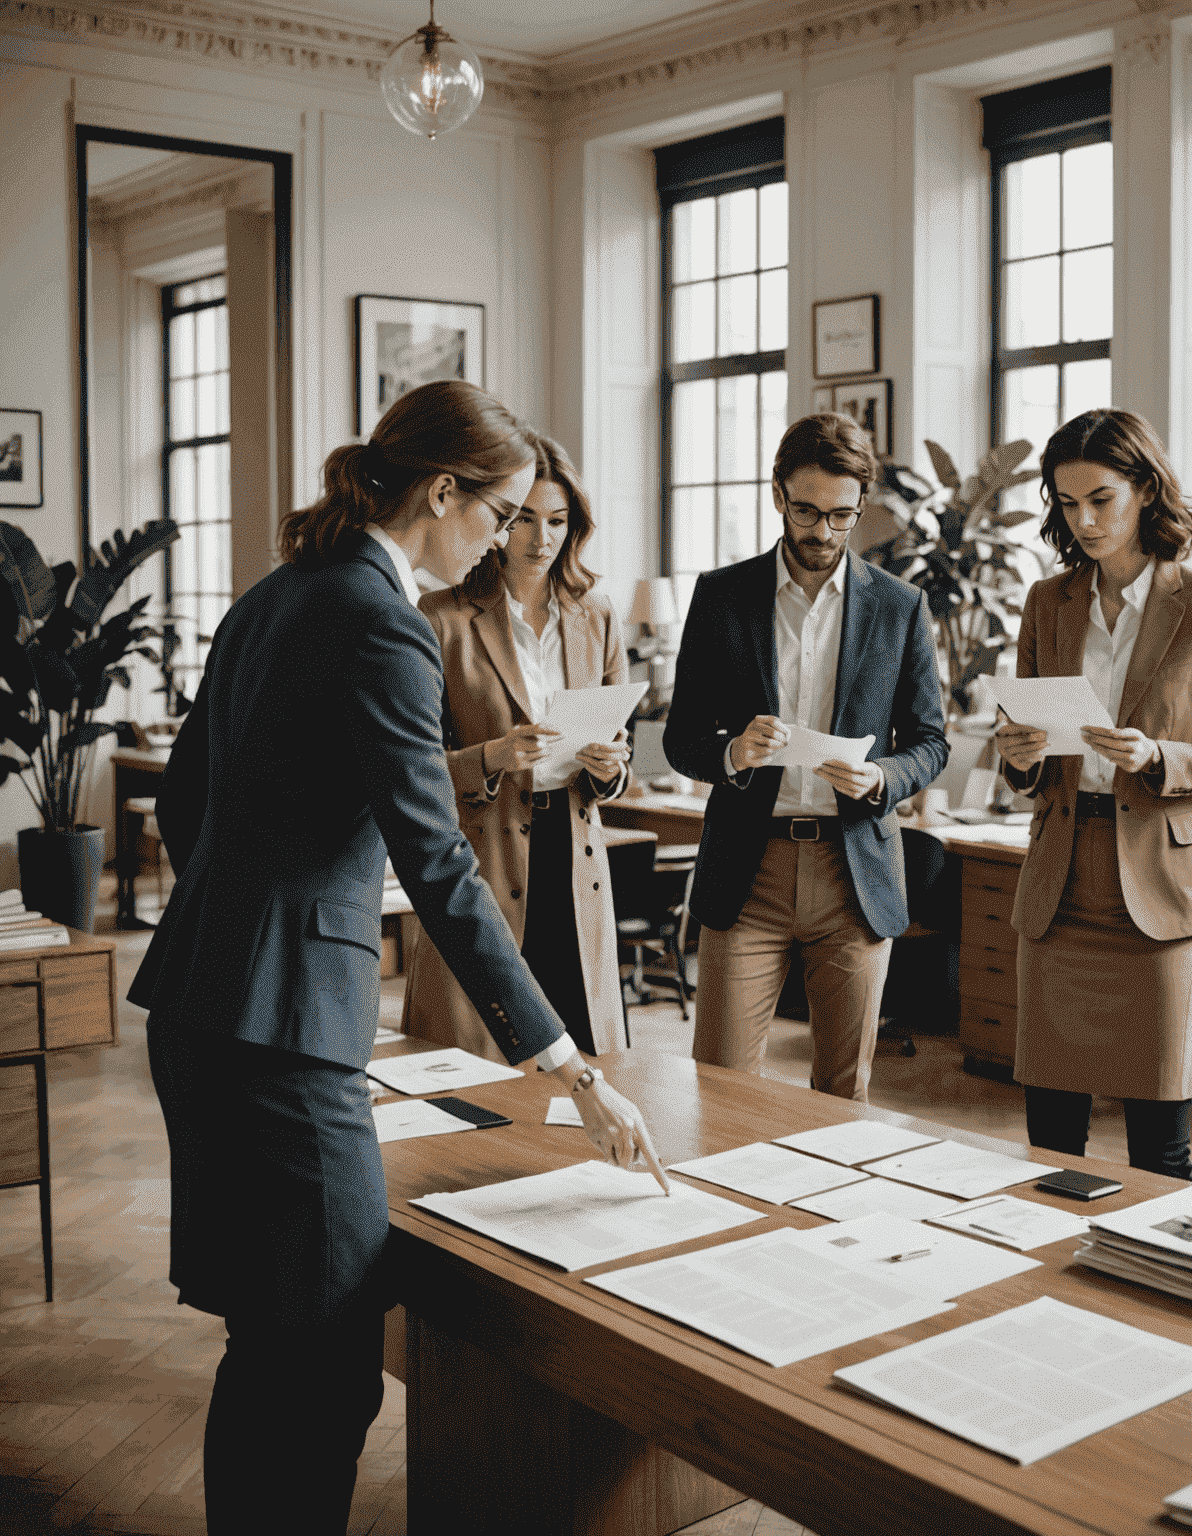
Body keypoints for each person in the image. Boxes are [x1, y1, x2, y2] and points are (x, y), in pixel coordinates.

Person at [128, 380, 663, 1535]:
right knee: (325, 1355)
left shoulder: (280, 594)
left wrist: (265, 895)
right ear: (440, 493)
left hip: (204, 1004)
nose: (507, 538)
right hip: (280, 1033)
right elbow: (440, 866)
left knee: (272, 1345)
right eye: (501, 512)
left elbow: (188, 801)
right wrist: (567, 1063)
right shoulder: (384, 621)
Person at [994, 408, 1192, 1181]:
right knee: (1049, 1147)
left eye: (1101, 499)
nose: (1082, 519)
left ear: (1146, 490)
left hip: (1159, 898)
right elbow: (1026, 753)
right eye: (1067, 502)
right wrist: (1019, 755)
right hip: (1059, 889)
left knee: (1160, 1148)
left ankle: (1168, 1290)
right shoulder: (1048, 603)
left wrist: (1157, 756)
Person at [664, 413, 949, 1103]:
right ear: (776, 495)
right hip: (747, 871)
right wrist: (732, 751)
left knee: (842, 1093)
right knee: (723, 1085)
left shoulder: (900, 607)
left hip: (852, 871)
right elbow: (680, 739)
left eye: (842, 516)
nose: (822, 531)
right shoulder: (721, 596)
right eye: (806, 510)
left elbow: (931, 740)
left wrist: (884, 776)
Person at [402, 430, 630, 1063]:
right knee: (477, 1061)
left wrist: (611, 768)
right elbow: (411, 771)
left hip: (576, 862)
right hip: (484, 857)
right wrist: (492, 757)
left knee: (580, 1053)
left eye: (557, 521)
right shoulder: (440, 616)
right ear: (499, 522)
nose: (541, 538)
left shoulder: (598, 615)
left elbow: (619, 748)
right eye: (524, 518)